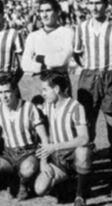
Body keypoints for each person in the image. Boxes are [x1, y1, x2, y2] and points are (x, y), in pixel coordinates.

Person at [73, 0, 112, 199]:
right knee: (87, 131)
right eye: (91, 3)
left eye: (98, 3)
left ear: (106, 4)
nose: (94, 7)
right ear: (86, 5)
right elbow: (78, 53)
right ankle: (84, 187)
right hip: (88, 80)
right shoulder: (82, 27)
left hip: (110, 77)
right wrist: (88, 69)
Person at [0, 75, 48, 200]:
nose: (4, 96)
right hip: (9, 153)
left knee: (28, 169)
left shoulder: (29, 108)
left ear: (15, 91)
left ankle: (24, 183)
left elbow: (44, 137)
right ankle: (12, 180)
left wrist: (43, 161)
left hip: (28, 151)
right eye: (0, 92)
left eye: (7, 91)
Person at [34, 72, 92, 206]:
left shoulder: (76, 107)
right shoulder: (48, 105)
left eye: (45, 89)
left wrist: (55, 147)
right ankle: (69, 183)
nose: (42, 93)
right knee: (39, 188)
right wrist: (43, 162)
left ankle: (80, 196)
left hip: (74, 155)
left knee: (83, 151)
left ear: (56, 89)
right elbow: (45, 136)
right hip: (59, 158)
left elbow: (84, 138)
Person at [22, 0, 74, 95]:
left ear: (58, 12)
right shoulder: (33, 36)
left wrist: (38, 58)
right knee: (39, 110)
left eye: (48, 11)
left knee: (62, 109)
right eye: (41, 11)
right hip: (39, 81)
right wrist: (45, 65)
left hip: (60, 81)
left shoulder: (67, 33)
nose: (44, 15)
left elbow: (61, 60)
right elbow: (25, 63)